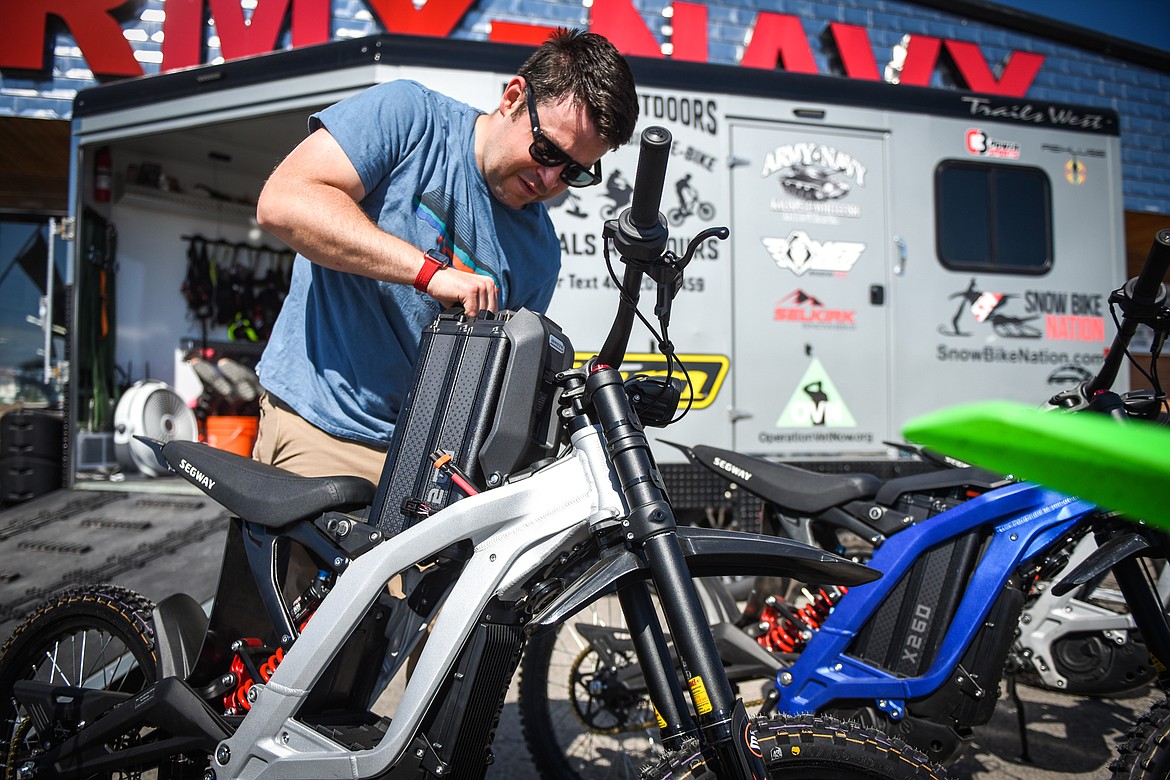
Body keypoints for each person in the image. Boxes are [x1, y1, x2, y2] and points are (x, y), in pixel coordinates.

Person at [252, 29, 639, 485]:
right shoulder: (410, 117)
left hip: (429, 464)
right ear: (514, 97)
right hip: (321, 426)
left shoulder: (541, 254)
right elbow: (284, 201)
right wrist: (429, 273)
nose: (549, 178)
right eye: (547, 149)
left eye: (572, 171)